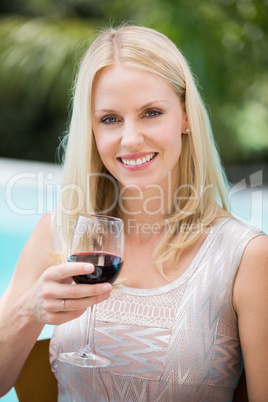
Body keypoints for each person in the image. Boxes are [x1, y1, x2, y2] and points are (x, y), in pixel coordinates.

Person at [0, 25, 267, 401]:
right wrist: (28, 312)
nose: (130, 139)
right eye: (110, 119)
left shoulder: (245, 257)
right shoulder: (60, 232)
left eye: (151, 113)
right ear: (91, 130)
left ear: (186, 116)